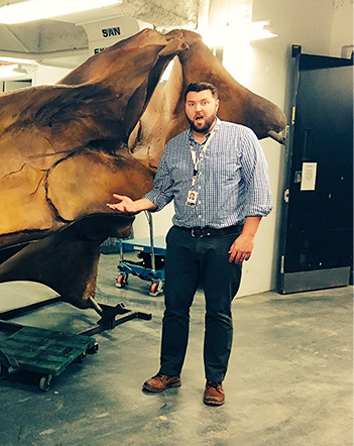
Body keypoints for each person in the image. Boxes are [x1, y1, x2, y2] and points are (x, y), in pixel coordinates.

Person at [107, 82, 272, 407]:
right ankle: (169, 372)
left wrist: (248, 235)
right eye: (192, 103)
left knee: (219, 313)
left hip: (225, 241)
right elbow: (162, 193)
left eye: (204, 103)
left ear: (216, 104)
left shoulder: (241, 139)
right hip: (182, 239)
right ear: (186, 108)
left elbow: (259, 191)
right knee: (175, 309)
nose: (198, 109)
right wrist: (135, 205)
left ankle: (215, 381)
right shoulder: (176, 146)